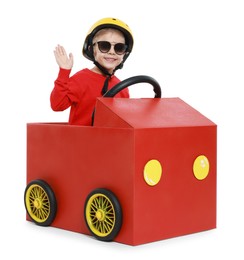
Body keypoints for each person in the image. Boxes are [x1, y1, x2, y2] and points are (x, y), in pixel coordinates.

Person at [50, 17, 134, 126]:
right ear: (91, 49)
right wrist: (64, 72)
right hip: (80, 141)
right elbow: (57, 105)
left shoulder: (122, 88)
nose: (112, 52)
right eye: (104, 46)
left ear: (124, 53)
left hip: (110, 142)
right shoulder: (80, 80)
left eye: (119, 48)